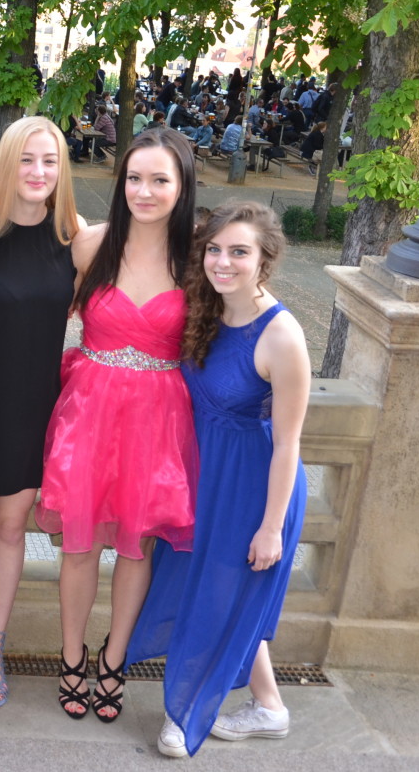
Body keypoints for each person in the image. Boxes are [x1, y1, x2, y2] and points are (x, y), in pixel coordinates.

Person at [128, 201, 310, 758]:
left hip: (252, 488)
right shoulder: (206, 308)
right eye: (214, 249)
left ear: (265, 259)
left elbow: (288, 444)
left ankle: (185, 715)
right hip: (201, 476)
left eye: (239, 252)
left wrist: (271, 528)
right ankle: (270, 707)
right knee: (213, 590)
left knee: (216, 595)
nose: (222, 261)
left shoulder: (282, 336)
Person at [35, 127, 199, 722]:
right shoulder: (91, 244)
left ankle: (114, 659)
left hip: (158, 419)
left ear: (182, 187)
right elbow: (33, 302)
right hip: (88, 411)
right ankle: (71, 656)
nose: (144, 191)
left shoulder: (198, 260)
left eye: (159, 180)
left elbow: (241, 323)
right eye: (134, 178)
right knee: (78, 546)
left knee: (137, 548)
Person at [0, 117, 83, 707]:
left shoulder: (76, 238)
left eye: (49, 161)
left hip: (33, 403)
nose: (38, 171)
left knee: (9, 528)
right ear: (6, 164)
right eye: (26, 159)